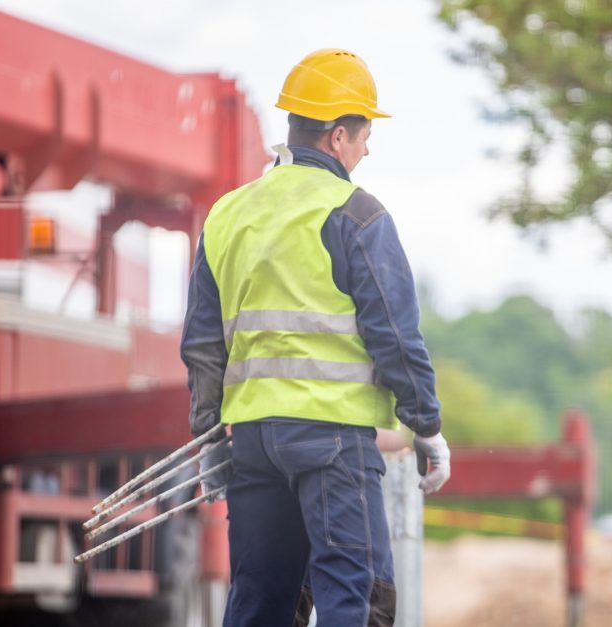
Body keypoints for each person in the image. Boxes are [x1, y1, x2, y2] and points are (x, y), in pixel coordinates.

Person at [180, 48, 450, 627]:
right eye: (363, 134)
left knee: (260, 601)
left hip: (250, 441)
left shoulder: (228, 214)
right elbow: (395, 337)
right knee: (356, 597)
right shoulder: (355, 214)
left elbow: (203, 341)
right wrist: (426, 425)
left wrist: (208, 437)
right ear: (336, 136)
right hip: (332, 441)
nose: (367, 148)